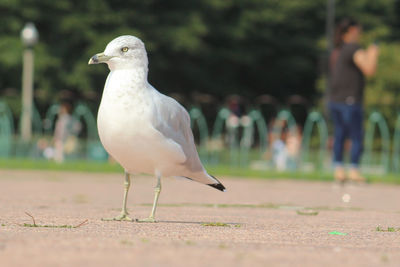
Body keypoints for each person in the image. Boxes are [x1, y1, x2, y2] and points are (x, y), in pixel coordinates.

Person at [329, 18, 379, 182]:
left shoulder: (339, 49)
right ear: (351, 31)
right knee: (356, 135)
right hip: (350, 99)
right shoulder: (353, 48)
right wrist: (374, 50)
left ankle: (338, 170)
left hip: (335, 98)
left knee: (340, 134)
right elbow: (369, 69)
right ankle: (354, 170)